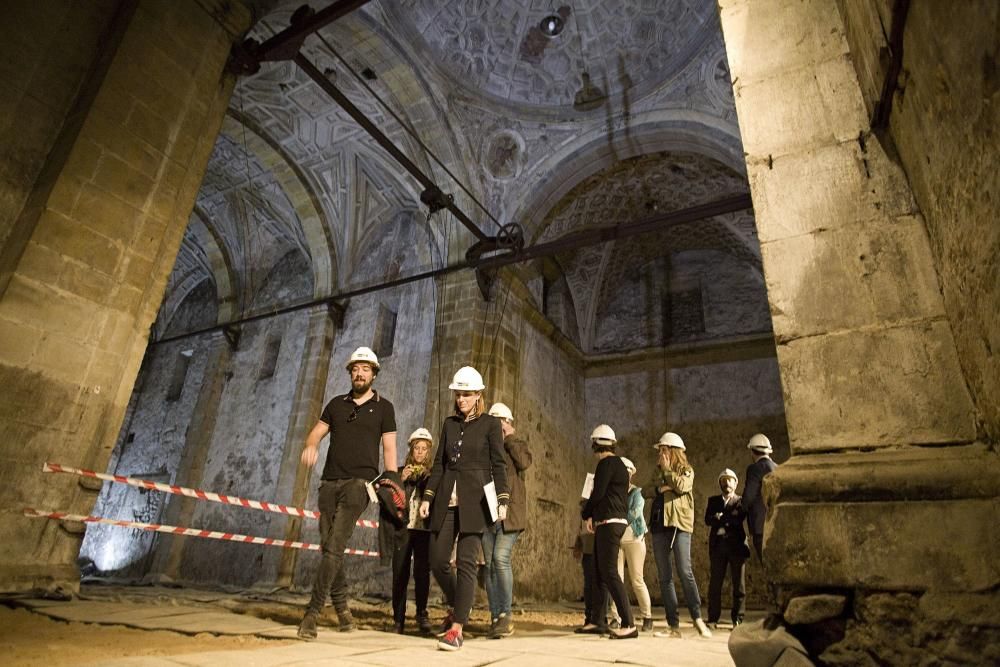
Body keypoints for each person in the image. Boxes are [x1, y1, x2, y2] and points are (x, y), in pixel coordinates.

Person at [297, 347, 397, 640]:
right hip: (329, 483)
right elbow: (316, 432)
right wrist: (311, 445)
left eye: (365, 369)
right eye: (355, 368)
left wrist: (391, 483)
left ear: (374, 374)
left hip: (359, 485)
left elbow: (389, 448)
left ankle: (312, 614)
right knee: (330, 548)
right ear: (350, 373)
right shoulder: (336, 404)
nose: (359, 373)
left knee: (334, 545)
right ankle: (343, 612)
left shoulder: (384, 407)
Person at [418, 366, 509, 651]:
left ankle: (457, 628)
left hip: (476, 502)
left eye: (467, 395)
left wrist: (502, 499)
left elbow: (499, 464)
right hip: (446, 501)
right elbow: (439, 465)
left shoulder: (491, 425)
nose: (461, 400)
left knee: (467, 564)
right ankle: (462, 604)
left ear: (478, 395)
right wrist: (427, 498)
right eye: (458, 395)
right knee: (437, 561)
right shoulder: (448, 424)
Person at [649, 431, 712, 639]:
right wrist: (664, 485)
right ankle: (672, 625)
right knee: (664, 576)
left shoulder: (687, 470)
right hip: (659, 526)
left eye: (663, 450)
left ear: (673, 451)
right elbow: (648, 490)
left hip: (679, 525)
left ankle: (697, 618)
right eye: (659, 451)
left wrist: (668, 476)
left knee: (685, 571)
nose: (660, 454)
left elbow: (683, 486)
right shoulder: (658, 472)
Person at [580, 424, 638, 639]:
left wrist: (586, 514)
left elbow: (598, 494)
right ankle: (597, 620)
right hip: (611, 521)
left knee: (609, 572)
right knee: (599, 571)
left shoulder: (606, 464)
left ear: (595, 444)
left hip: (610, 522)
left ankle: (629, 623)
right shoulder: (620, 465)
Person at [482, 402, 533, 639]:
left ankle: (506, 614)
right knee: (490, 565)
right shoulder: (485, 447)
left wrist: (510, 437)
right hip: (487, 513)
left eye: (502, 423)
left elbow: (524, 463)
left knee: (500, 558)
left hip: (510, 514)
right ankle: (496, 617)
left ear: (509, 423)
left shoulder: (517, 445)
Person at [391, 428, 434, 635]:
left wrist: (427, 478)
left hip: (424, 530)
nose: (420, 452)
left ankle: (421, 614)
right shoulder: (401, 471)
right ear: (411, 450)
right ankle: (398, 619)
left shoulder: (433, 474)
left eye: (424, 449)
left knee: (422, 574)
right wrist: (402, 478)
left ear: (429, 452)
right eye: (417, 448)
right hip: (404, 528)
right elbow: (391, 498)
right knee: (400, 572)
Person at [704, 468, 749, 629]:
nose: (727, 483)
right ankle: (713, 618)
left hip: (737, 547)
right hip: (718, 548)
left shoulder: (741, 501)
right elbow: (708, 520)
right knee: (715, 584)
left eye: (730, 480)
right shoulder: (713, 501)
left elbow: (738, 519)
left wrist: (721, 520)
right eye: (724, 480)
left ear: (736, 483)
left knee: (739, 585)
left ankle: (738, 618)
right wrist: (724, 520)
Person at [616, 457, 654, 632]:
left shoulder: (637, 492)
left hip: (634, 538)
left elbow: (634, 512)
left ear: (631, 473)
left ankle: (647, 617)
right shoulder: (614, 492)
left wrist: (616, 520)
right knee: (616, 579)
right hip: (617, 539)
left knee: (637, 579)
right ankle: (616, 617)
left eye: (628, 471)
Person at [743, 433, 778, 562]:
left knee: (765, 564)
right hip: (776, 524)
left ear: (752, 451)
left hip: (760, 525)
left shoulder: (754, 469)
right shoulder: (778, 468)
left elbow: (749, 497)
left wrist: (740, 508)